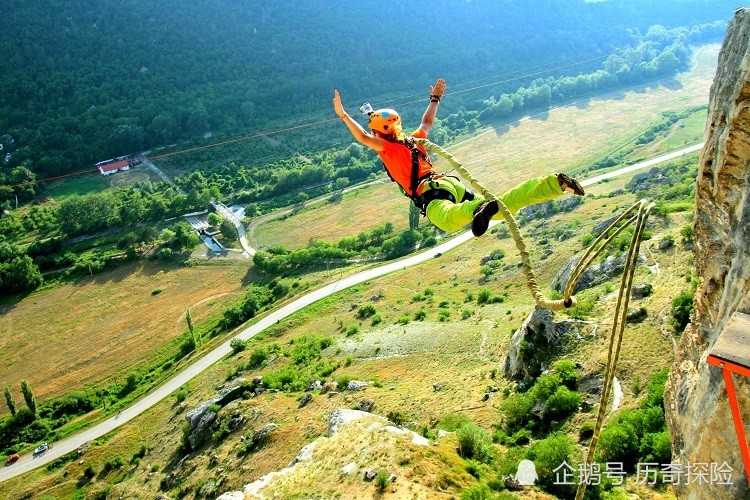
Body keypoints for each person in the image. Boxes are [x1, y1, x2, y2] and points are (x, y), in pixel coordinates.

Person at [332, 78, 584, 237]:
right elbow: (427, 121)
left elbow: (364, 137)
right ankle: (554, 184)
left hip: (430, 192)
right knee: (502, 207)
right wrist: (435, 98)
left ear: (379, 133)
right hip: (448, 183)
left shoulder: (387, 148)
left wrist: (344, 116)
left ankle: (479, 208)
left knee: (449, 221)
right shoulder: (413, 141)